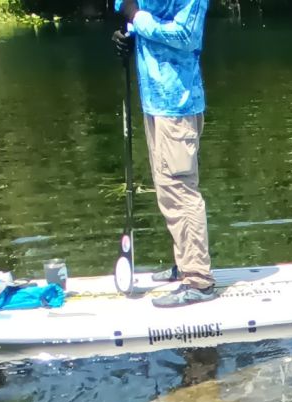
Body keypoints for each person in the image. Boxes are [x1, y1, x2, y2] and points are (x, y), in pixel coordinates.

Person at [112, 0, 216, 308]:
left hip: (178, 103)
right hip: (154, 101)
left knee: (181, 191)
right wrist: (127, 34)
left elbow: (186, 35)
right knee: (167, 191)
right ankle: (185, 264)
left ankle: (199, 281)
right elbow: (131, 6)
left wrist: (136, 17)